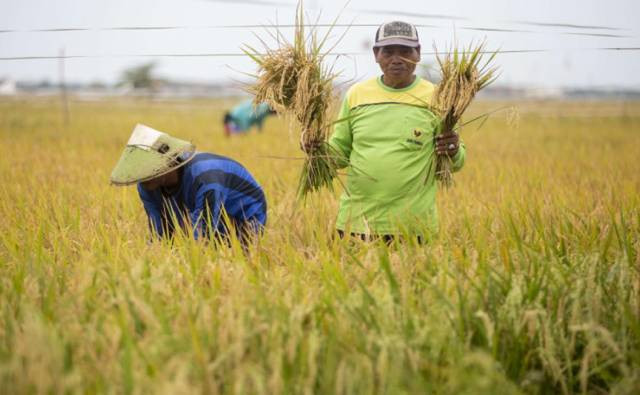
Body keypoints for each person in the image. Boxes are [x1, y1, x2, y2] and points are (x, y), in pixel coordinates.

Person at [327, 21, 466, 243]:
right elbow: (340, 153)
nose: (397, 59)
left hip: (414, 226)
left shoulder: (438, 98)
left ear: (418, 53)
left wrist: (453, 149)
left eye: (405, 51)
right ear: (376, 54)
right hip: (355, 222)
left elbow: (457, 161)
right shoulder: (356, 95)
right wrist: (317, 149)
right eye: (388, 51)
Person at [110, 124, 267, 245]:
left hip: (242, 217)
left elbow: (202, 234)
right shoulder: (146, 185)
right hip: (199, 210)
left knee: (215, 248)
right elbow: (159, 232)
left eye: (148, 170)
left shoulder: (204, 176)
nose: (143, 179)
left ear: (168, 162)